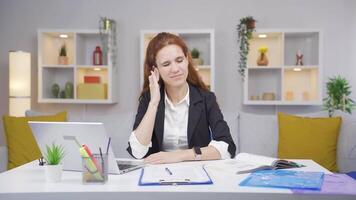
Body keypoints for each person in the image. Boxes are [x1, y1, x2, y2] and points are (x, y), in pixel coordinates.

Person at [127, 32, 236, 164]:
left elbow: (227, 147)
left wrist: (180, 155)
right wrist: (154, 102)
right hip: (157, 175)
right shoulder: (149, 99)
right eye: (166, 64)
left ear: (187, 60)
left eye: (179, 60)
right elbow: (137, 152)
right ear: (155, 70)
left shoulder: (206, 98)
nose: (175, 69)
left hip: (197, 173)